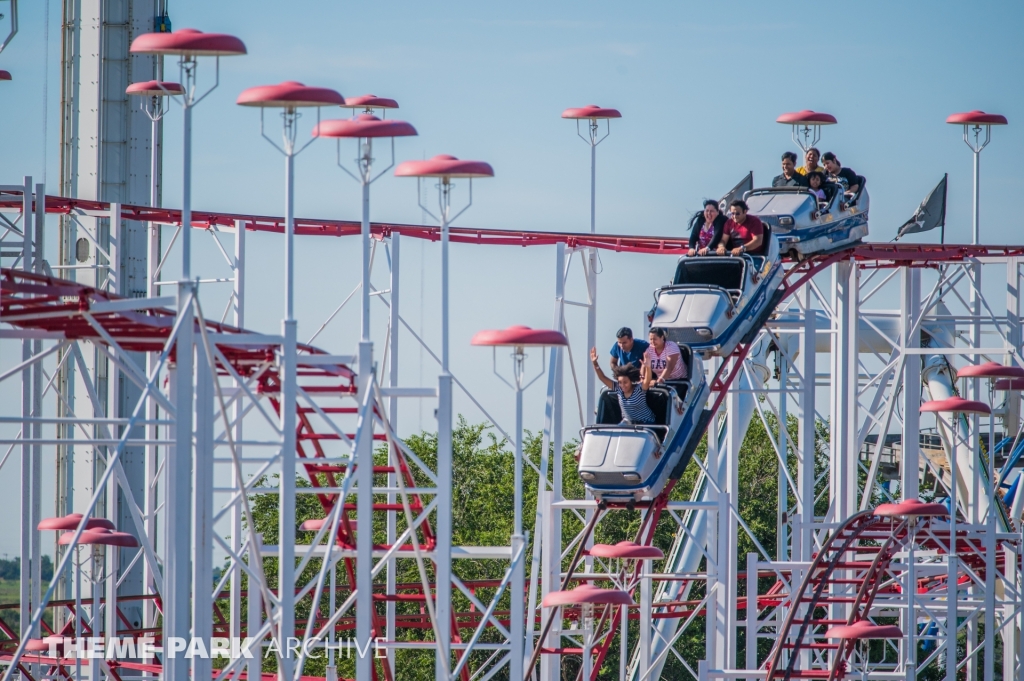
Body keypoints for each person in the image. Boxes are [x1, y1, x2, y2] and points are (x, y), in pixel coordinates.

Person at [590, 347, 655, 424]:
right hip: (628, 423)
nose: (622, 385)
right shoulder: (618, 389)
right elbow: (602, 377)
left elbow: (647, 380)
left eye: (625, 382)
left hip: (645, 422)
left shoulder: (639, 389)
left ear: (631, 381)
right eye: (620, 382)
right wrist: (595, 363)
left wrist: (648, 367)